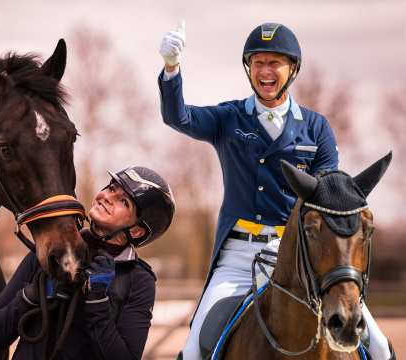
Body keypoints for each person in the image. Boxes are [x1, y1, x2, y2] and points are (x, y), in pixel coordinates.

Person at [158, 22, 393, 359]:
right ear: (249, 68)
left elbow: (328, 192)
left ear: (292, 69)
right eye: (258, 63)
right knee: (194, 348)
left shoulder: (315, 127)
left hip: (297, 256)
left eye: (274, 63)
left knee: (381, 349)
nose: (265, 71)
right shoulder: (229, 117)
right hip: (237, 258)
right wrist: (171, 68)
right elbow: (177, 117)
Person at [0, 166, 175, 359]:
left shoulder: (139, 281)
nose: (107, 197)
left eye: (123, 201)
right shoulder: (51, 251)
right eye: (111, 188)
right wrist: (32, 294)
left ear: (136, 231)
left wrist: (98, 302)